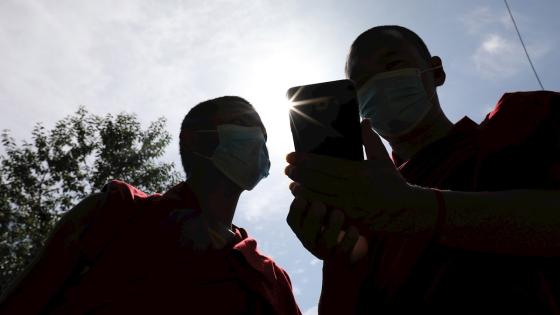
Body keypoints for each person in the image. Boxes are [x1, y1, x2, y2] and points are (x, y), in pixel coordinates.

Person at [285, 25, 560, 314]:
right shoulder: (361, 211)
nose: (378, 84)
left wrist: (416, 208)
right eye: (361, 82)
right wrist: (342, 263)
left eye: (392, 64)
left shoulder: (524, 121)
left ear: (435, 71)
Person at [0, 96, 302, 315]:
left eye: (263, 136)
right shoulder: (116, 210)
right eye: (243, 124)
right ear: (194, 140)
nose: (258, 140)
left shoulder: (271, 276)